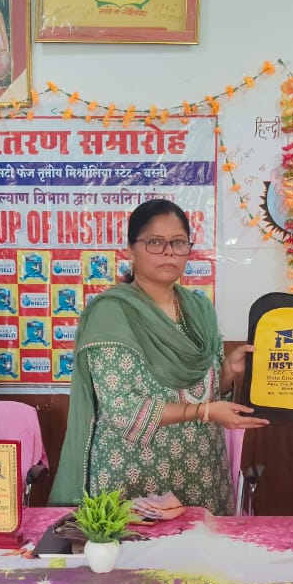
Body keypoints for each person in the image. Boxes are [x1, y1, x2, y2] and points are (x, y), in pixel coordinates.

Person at [51, 199, 266, 514]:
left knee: (202, 547)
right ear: (131, 250)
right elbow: (123, 410)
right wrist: (205, 411)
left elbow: (206, 392)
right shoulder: (110, 315)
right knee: (134, 548)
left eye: (178, 243)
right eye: (155, 242)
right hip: (133, 475)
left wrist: (229, 371)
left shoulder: (200, 310)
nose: (168, 252)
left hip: (201, 470)